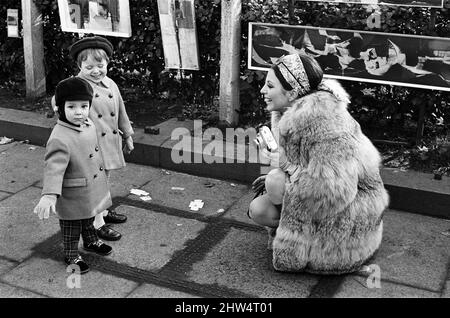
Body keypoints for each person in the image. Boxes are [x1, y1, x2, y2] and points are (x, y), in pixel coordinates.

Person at [248, 53, 389, 274]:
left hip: (352, 211)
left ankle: (319, 250)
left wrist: (284, 166)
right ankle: (299, 240)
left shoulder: (329, 124)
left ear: (292, 92)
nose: (262, 91)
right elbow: (304, 167)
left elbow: (333, 192)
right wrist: (281, 169)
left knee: (276, 182)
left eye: (269, 85)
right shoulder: (290, 112)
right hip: (319, 194)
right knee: (260, 208)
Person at [33, 77, 113, 274]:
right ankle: (71, 253)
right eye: (72, 107)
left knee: (88, 218)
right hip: (72, 193)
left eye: (84, 106)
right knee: (71, 228)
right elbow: (54, 168)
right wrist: (50, 194)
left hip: (89, 188)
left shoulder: (88, 125)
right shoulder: (60, 137)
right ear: (60, 109)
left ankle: (91, 241)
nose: (79, 112)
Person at [61, 35, 134, 241]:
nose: (96, 71)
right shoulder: (76, 86)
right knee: (94, 184)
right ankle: (97, 223)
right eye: (89, 66)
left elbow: (120, 110)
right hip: (90, 146)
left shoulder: (110, 83)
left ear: (107, 63)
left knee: (105, 179)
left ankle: (103, 210)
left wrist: (127, 134)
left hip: (109, 142)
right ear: (80, 66)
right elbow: (60, 104)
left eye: (100, 65)